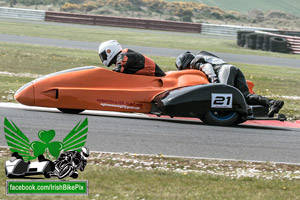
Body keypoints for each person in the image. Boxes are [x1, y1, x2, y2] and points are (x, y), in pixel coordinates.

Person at [175, 51, 284, 117]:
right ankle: (273, 103)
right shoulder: (203, 56)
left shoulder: (195, 62)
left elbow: (207, 67)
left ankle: (247, 110)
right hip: (232, 69)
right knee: (245, 96)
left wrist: (215, 81)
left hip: (224, 70)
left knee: (225, 91)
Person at [98, 40, 165, 77]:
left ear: (109, 51)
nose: (103, 58)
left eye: (103, 55)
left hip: (157, 78)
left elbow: (115, 73)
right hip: (150, 79)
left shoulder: (124, 55)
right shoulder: (122, 56)